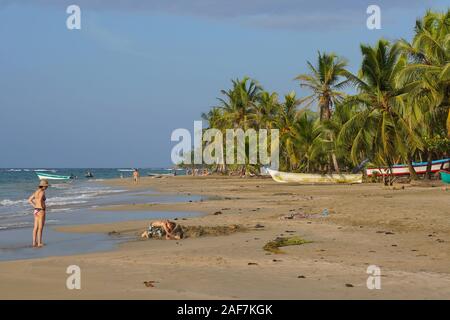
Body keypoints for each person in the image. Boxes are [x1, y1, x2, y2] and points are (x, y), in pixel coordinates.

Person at [28, 179, 49, 248]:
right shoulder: (42, 192)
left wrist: (35, 206)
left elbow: (29, 200)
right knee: (40, 228)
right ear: (43, 186)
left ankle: (34, 242)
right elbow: (40, 200)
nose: (47, 187)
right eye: (46, 186)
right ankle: (39, 243)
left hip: (36, 210)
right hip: (41, 210)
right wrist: (40, 207)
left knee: (35, 227)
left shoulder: (36, 192)